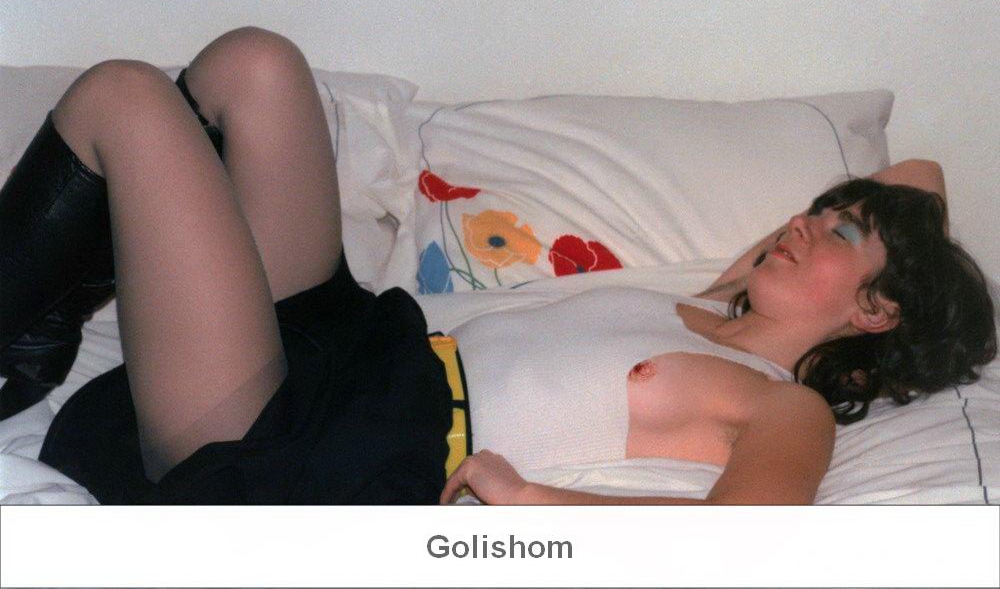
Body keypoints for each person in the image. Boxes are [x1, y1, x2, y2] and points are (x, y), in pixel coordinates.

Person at [1, 27, 995, 505]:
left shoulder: (787, 404)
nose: (806, 224)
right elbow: (918, 175)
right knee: (253, 67)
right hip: (357, 342)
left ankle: (21, 333)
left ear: (878, 311)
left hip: (321, 444)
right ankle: (40, 326)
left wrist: (537, 502)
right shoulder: (693, 295)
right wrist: (826, 239)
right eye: (818, 210)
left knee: (125, 98)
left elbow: (750, 545)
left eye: (840, 235)